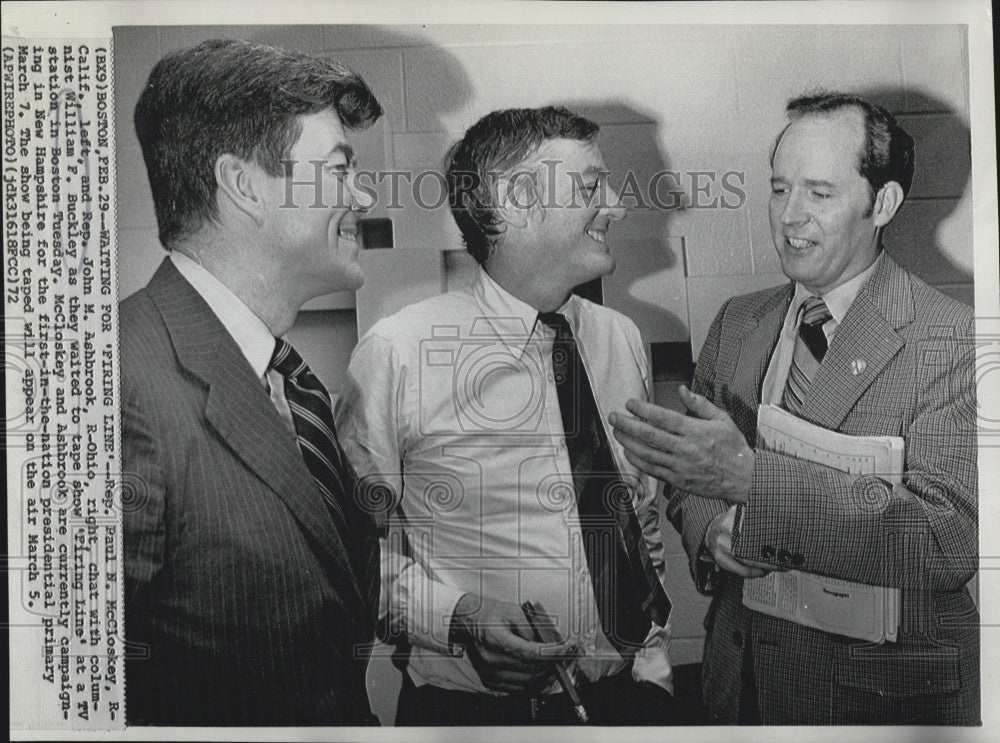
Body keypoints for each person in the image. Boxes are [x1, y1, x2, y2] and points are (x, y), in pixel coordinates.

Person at [610, 92, 979, 725]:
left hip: (876, 703)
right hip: (743, 685)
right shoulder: (738, 322)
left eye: (819, 193)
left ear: (882, 203)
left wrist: (752, 481)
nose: (789, 216)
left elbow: (947, 541)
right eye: (779, 190)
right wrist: (712, 533)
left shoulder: (953, 341)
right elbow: (692, 479)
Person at [336, 106, 675, 725]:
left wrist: (653, 672)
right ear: (516, 199)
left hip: (627, 703)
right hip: (472, 716)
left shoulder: (620, 339)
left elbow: (637, 518)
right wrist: (460, 620)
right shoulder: (398, 353)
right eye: (590, 185)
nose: (618, 205)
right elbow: (351, 560)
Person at [121, 39, 384, 725]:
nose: (363, 193)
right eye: (339, 169)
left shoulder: (293, 384)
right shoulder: (119, 381)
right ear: (243, 185)